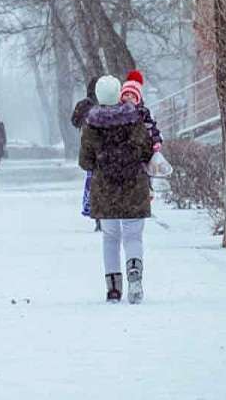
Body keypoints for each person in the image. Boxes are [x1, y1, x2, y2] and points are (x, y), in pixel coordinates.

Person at [79, 75, 153, 304]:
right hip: (133, 185)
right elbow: (146, 150)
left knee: (110, 238)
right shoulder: (134, 119)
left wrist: (102, 162)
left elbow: (85, 161)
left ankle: (113, 288)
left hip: (106, 189)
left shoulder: (92, 124)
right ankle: (135, 276)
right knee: (133, 237)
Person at [71, 78, 101, 231]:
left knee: (93, 181)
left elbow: (74, 121)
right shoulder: (107, 104)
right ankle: (101, 215)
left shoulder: (85, 105)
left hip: (91, 148)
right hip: (103, 149)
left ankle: (97, 214)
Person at [120, 70, 163, 151]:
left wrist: (156, 141)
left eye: (133, 96)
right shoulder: (118, 111)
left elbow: (151, 128)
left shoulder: (143, 112)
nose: (129, 98)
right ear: (121, 96)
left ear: (137, 100)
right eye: (126, 95)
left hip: (139, 147)